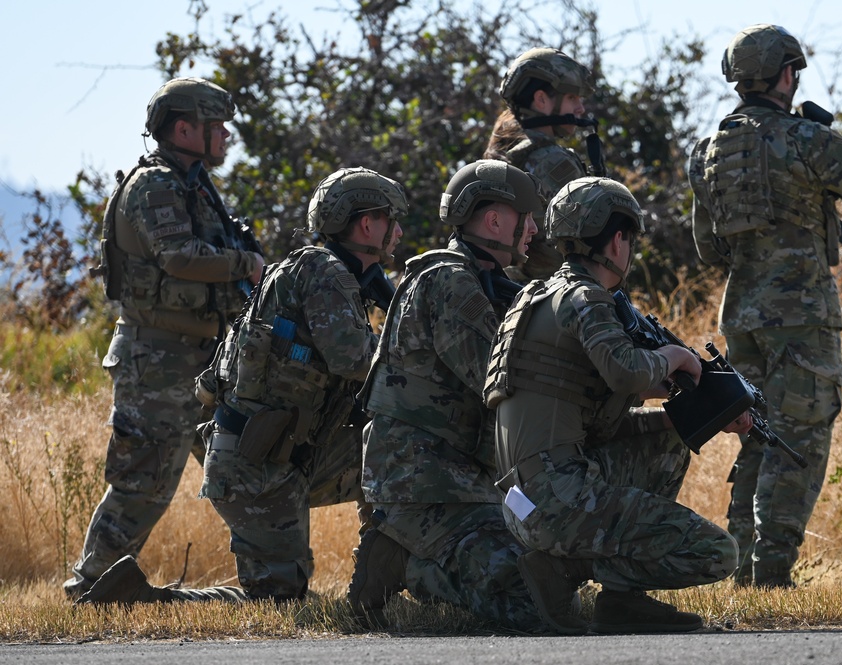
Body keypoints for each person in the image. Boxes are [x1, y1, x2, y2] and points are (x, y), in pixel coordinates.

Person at [76, 167, 407, 605]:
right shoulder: (324, 274)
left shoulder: (330, 273)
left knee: (397, 448)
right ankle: (137, 600)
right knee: (277, 599)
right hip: (257, 466)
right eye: (392, 219)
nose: (399, 231)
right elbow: (357, 360)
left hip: (291, 454)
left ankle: (379, 576)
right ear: (367, 224)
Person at [485, 176, 752, 635]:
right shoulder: (586, 298)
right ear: (616, 238)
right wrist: (678, 356)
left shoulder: (536, 296)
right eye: (629, 238)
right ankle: (569, 572)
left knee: (670, 432)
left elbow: (598, 406)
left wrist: (703, 411)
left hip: (520, 501)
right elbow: (628, 372)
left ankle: (623, 603)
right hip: (558, 502)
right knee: (717, 553)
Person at [686, 24, 842, 588]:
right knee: (799, 435)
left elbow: (709, 250)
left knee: (757, 435)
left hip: (742, 317)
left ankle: (740, 572)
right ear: (787, 74)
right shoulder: (806, 139)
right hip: (803, 316)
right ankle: (773, 574)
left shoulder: (706, 152)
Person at [65, 77, 265, 601]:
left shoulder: (193, 185)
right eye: (215, 125)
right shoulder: (154, 186)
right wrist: (248, 264)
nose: (225, 135)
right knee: (144, 482)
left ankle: (274, 582)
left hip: (202, 357)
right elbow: (177, 257)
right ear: (183, 129)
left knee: (239, 470)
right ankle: (88, 588)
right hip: (157, 358)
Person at [349, 159, 546, 630]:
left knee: (556, 577)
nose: (535, 228)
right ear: (495, 220)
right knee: (530, 604)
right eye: (527, 215)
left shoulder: (492, 286)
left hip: (466, 478)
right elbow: (497, 382)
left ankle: (408, 552)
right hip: (425, 482)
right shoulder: (451, 282)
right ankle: (403, 562)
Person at [485, 47, 596, 280]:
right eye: (571, 97)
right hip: (555, 294)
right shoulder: (553, 160)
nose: (580, 109)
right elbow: (586, 242)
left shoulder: (505, 149)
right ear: (541, 100)